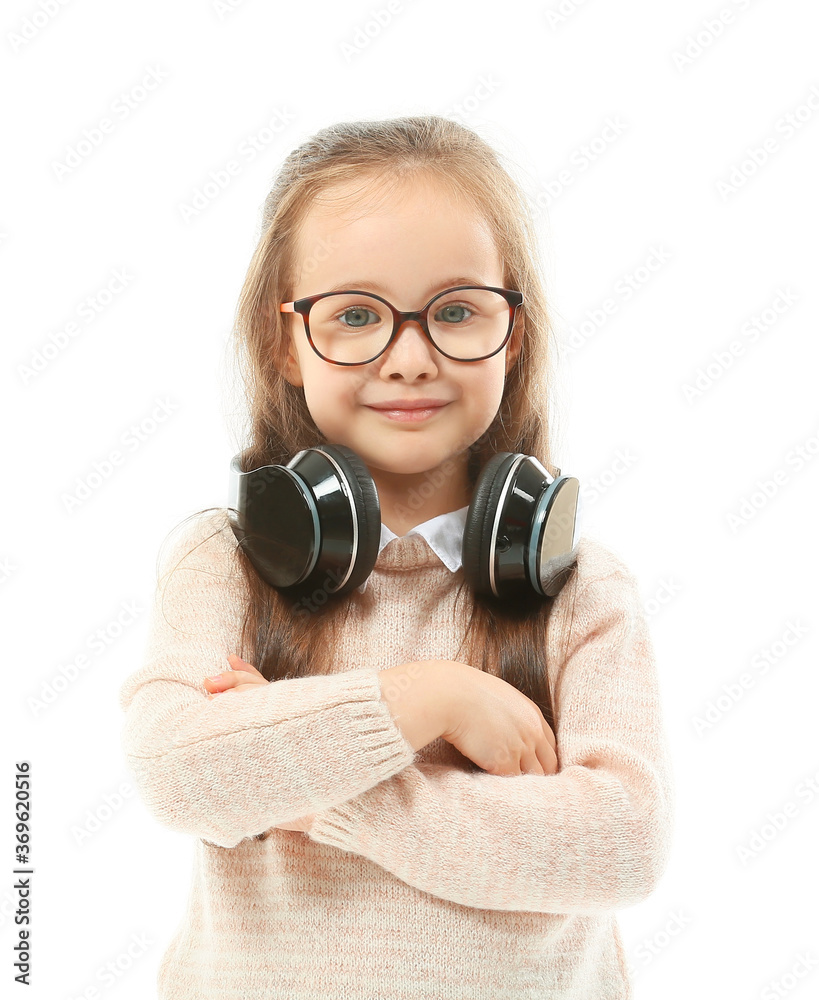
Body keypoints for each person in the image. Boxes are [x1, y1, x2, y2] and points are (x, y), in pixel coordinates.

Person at [119, 114, 674, 999]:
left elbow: (619, 844)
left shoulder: (584, 590)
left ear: (514, 334)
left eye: (455, 311)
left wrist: (312, 785)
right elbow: (180, 773)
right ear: (285, 345)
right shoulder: (222, 565)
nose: (410, 358)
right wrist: (423, 699)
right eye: (353, 316)